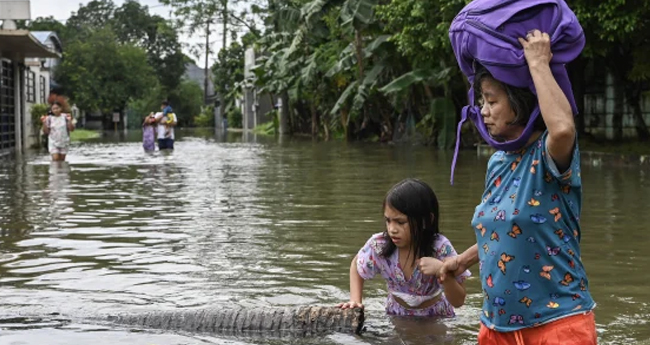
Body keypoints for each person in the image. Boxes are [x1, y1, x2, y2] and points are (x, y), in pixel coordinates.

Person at [438, 30, 597, 344]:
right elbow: (503, 231)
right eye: (482, 101)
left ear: (520, 103)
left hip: (558, 325)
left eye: (492, 101)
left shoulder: (549, 157)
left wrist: (538, 63)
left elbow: (563, 128)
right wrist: (460, 261)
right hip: (496, 327)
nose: (483, 110)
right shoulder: (498, 161)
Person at [338, 178, 470, 317]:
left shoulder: (440, 248)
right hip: (396, 315)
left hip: (436, 317)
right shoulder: (379, 246)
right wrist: (355, 300)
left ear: (426, 221)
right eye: (388, 221)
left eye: (400, 222)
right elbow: (357, 265)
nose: (392, 229)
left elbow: (459, 301)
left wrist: (442, 272)